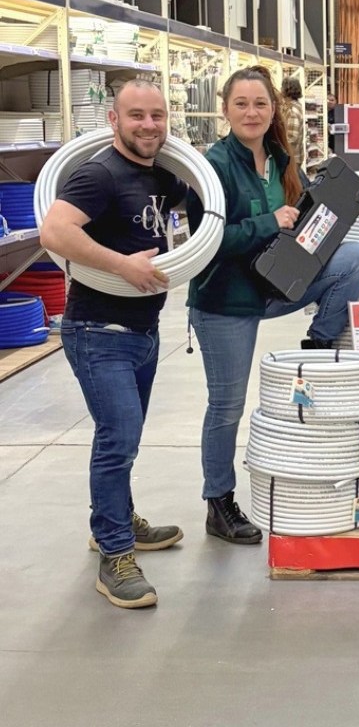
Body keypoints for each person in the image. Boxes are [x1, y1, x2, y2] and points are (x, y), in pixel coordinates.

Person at [186, 67, 359, 545]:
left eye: (260, 103)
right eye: (241, 104)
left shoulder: (279, 157)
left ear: (273, 109)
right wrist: (268, 222)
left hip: (272, 285)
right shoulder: (213, 167)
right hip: (226, 300)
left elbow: (306, 219)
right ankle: (218, 502)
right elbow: (208, 241)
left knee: (354, 259)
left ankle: (319, 345)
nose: (251, 112)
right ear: (225, 109)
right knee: (227, 406)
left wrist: (349, 205)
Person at [40, 80, 186, 610]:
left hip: (144, 331)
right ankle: (115, 554)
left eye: (157, 115)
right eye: (136, 115)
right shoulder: (98, 174)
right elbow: (54, 232)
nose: (148, 125)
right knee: (117, 439)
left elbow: (208, 215)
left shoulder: (163, 177)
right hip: (97, 331)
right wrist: (121, 265)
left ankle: (116, 518)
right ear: (113, 120)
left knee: (126, 438)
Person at [281, 75, 305, 167]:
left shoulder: (292, 110)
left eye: (282, 87)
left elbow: (292, 137)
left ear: (286, 89)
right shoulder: (295, 106)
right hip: (294, 156)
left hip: (291, 158)